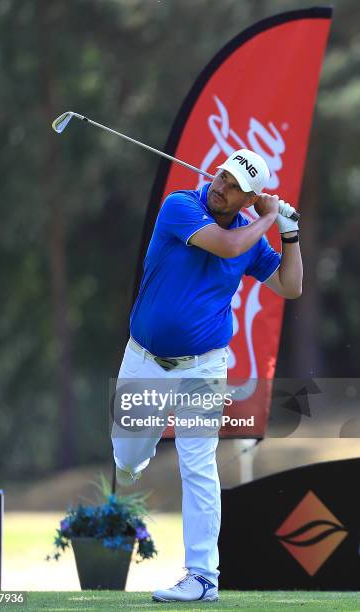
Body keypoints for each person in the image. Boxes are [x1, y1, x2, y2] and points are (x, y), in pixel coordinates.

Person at [111, 148, 302, 602]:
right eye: (223, 176)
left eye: (236, 186)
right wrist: (269, 217)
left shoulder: (251, 236)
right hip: (144, 361)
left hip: (205, 366)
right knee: (127, 455)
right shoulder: (182, 206)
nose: (222, 187)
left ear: (247, 199)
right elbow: (229, 245)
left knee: (198, 465)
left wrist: (289, 232)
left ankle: (202, 578)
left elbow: (291, 287)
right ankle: (136, 452)